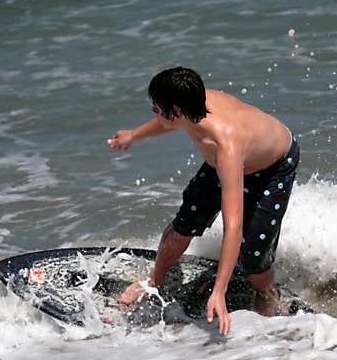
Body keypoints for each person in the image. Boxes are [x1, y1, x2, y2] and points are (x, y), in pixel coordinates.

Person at [107, 67, 299, 336]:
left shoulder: (225, 144)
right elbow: (166, 122)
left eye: (157, 108)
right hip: (224, 162)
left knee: (253, 254)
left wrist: (219, 291)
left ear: (175, 111)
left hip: (272, 168)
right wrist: (134, 134)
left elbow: (233, 225)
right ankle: (154, 280)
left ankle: (268, 291)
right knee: (184, 226)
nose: (154, 112)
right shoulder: (193, 103)